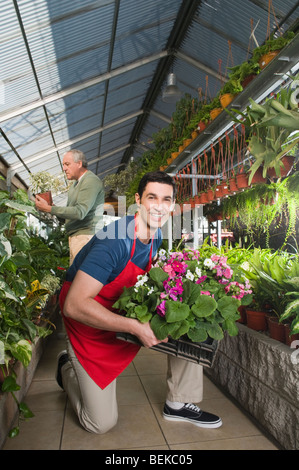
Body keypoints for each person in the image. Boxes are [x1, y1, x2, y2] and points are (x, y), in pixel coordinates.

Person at [56, 170, 222, 434]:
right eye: (151, 197)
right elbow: (74, 306)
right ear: (137, 200)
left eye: (166, 199)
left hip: (118, 308)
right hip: (87, 320)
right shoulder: (115, 242)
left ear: (172, 205)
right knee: (99, 423)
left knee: (190, 324)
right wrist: (135, 326)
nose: (159, 206)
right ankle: (67, 367)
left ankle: (178, 403)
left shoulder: (154, 234)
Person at [35, 149, 104, 264]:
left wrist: (49, 208)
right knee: (75, 277)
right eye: (63, 165)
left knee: (81, 278)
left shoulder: (90, 181)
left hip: (86, 237)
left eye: (67, 164)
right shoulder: (74, 185)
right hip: (75, 237)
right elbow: (68, 217)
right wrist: (53, 208)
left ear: (79, 164)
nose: (64, 168)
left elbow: (79, 212)